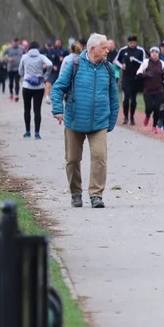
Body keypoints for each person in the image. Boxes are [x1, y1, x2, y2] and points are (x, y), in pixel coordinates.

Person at [50, 33, 118, 209]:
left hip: (99, 122)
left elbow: (114, 98)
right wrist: (58, 109)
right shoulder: (75, 65)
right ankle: (75, 193)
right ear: (93, 49)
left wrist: (110, 121)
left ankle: (96, 195)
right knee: (72, 159)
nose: (107, 50)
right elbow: (57, 88)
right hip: (74, 121)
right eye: (104, 47)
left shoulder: (109, 69)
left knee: (100, 157)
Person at [19, 41, 53, 139]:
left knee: (27, 109)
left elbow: (20, 70)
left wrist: (23, 75)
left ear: (28, 48)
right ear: (37, 48)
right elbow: (50, 64)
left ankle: (27, 131)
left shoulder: (24, 57)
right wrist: (45, 75)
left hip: (27, 86)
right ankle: (37, 133)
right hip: (39, 86)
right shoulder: (41, 57)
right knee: (37, 110)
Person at [115, 35, 146, 125]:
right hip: (126, 78)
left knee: (133, 99)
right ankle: (125, 117)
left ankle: (132, 117)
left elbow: (144, 63)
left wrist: (135, 60)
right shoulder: (123, 50)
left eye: (134, 43)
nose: (132, 44)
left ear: (136, 42)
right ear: (128, 42)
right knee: (126, 98)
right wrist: (121, 66)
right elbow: (116, 60)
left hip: (136, 78)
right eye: (130, 43)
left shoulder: (140, 50)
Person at [137, 46, 164, 134]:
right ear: (150, 53)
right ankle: (147, 115)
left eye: (156, 52)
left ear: (159, 54)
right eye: (153, 52)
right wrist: (144, 74)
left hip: (159, 90)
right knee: (149, 107)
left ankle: (154, 126)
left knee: (157, 108)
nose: (154, 54)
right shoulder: (146, 62)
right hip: (148, 90)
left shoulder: (162, 63)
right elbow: (139, 71)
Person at [44, 38, 68, 104]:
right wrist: (53, 65)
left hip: (62, 70)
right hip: (53, 71)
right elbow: (48, 60)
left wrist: (63, 59)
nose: (58, 43)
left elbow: (68, 59)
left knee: (62, 84)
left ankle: (63, 96)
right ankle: (47, 96)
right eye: (57, 42)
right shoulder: (51, 51)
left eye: (59, 42)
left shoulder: (65, 51)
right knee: (48, 83)